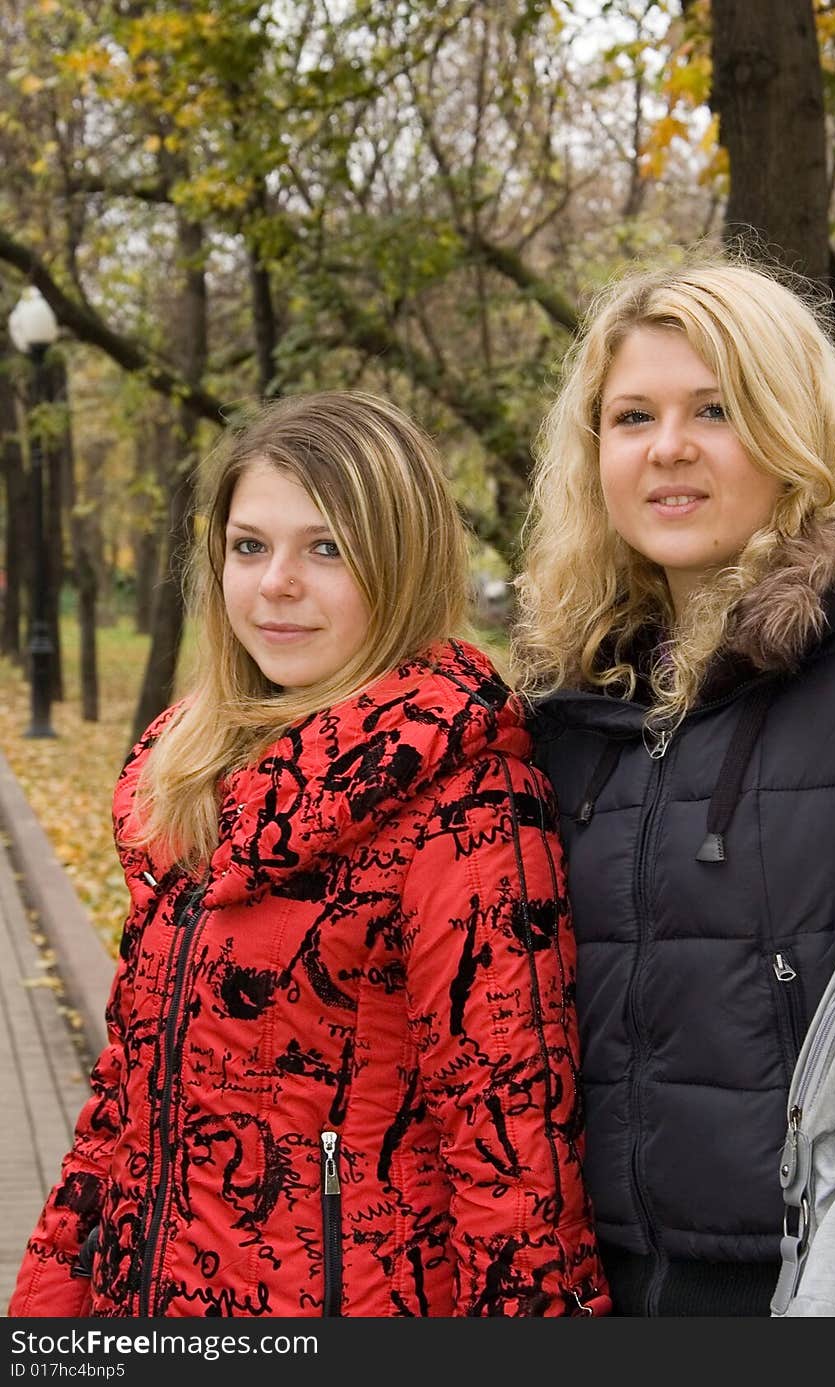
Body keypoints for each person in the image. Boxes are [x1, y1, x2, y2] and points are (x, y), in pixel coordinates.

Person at [9, 391, 609, 1319]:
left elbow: (515, 1175)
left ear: (399, 561)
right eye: (250, 546)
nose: (274, 582)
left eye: (325, 547)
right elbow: (123, 1106)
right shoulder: (194, 779)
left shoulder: (466, 802)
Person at [510, 255, 835, 1317]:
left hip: (818, 1277)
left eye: (713, 409)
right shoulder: (569, 705)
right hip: (596, 1281)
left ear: (788, 426)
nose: (667, 448)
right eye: (632, 417)